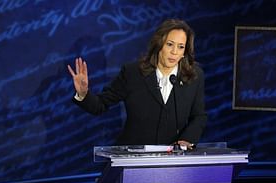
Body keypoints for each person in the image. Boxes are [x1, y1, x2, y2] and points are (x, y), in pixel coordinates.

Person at [67, 19, 207, 148]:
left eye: (181, 47)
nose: (174, 52)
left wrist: (186, 140)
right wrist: (83, 93)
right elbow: (100, 105)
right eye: (169, 44)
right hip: (134, 157)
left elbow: (199, 116)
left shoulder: (194, 76)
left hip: (173, 159)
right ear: (159, 44)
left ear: (185, 52)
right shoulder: (133, 73)